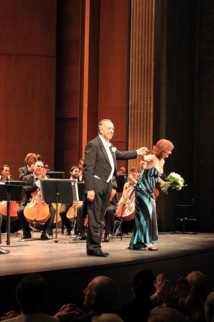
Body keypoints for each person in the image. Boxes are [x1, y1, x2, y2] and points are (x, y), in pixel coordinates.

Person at [83, 119, 148, 257]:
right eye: (108, 128)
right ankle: (95, 247)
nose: (111, 130)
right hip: (96, 184)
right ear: (100, 129)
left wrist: (137, 152)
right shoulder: (93, 144)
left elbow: (121, 154)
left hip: (107, 185)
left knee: (100, 217)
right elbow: (88, 169)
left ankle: (93, 247)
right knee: (95, 218)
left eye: (113, 128)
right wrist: (90, 189)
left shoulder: (110, 146)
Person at [129, 139, 174, 251]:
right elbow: (145, 158)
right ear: (163, 150)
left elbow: (156, 176)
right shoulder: (152, 158)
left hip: (150, 191)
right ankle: (147, 242)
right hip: (142, 189)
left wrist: (164, 183)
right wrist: (144, 159)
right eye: (168, 150)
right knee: (147, 214)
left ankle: (137, 243)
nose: (170, 153)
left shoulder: (162, 161)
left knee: (151, 214)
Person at [17, 160, 55, 240]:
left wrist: (44, 179)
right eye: (38, 166)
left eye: (41, 167)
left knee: (52, 210)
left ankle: (46, 233)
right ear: (33, 167)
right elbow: (27, 190)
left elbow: (51, 192)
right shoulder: (26, 178)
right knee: (20, 210)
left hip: (44, 202)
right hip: (30, 201)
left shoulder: (47, 178)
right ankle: (26, 233)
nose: (40, 168)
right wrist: (38, 181)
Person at [59, 165, 86, 239]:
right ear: (71, 172)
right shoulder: (66, 182)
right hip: (68, 200)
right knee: (62, 212)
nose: (77, 173)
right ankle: (69, 227)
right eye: (75, 171)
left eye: (78, 171)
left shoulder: (81, 182)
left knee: (80, 211)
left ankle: (78, 229)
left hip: (78, 201)